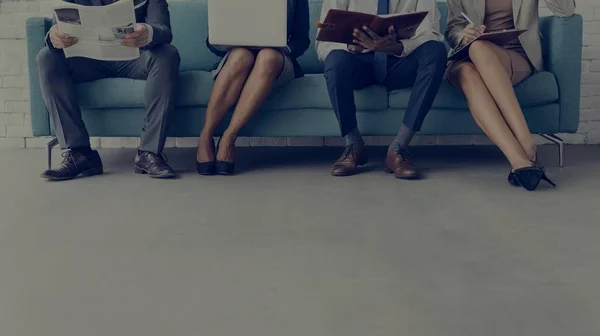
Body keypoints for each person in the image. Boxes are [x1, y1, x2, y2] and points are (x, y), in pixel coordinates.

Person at [38, 0, 180, 181]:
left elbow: (163, 29)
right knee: (46, 57)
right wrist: (54, 36)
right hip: (87, 59)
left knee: (168, 54)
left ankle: (148, 153)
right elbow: (57, 27)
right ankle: (79, 153)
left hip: (134, 57)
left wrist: (148, 32)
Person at [445, 0, 575, 191]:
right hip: (466, 58)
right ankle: (521, 157)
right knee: (471, 62)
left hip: (513, 56)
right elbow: (453, 28)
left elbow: (566, 9)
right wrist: (463, 36)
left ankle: (524, 150)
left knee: (479, 49)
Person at [317, 0, 447, 179]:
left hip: (400, 61)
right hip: (359, 62)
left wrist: (396, 47)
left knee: (436, 50)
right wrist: (351, 47)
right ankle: (353, 145)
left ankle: (399, 148)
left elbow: (431, 34)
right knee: (334, 61)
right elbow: (324, 44)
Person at [196, 0, 311, 176]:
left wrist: (281, 46)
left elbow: (302, 40)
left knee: (267, 57)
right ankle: (206, 135)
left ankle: (229, 137)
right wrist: (232, 41)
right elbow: (212, 41)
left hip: (277, 59)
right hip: (238, 55)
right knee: (241, 56)